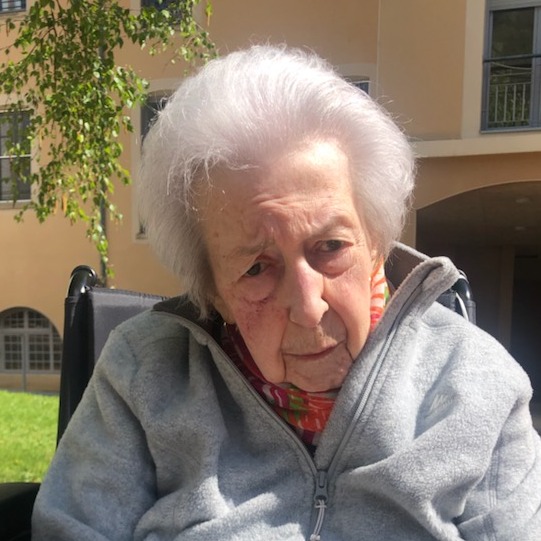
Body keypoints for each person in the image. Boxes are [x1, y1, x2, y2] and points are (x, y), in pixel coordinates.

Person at [32, 45, 541, 540]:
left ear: (376, 243)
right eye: (256, 268)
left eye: (331, 246)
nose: (308, 307)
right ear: (214, 292)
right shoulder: (142, 371)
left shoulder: (478, 382)